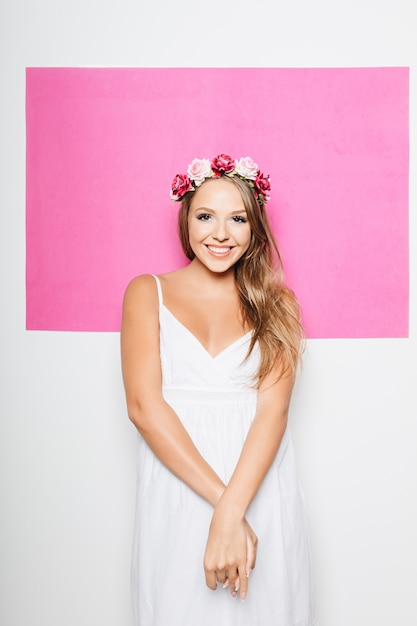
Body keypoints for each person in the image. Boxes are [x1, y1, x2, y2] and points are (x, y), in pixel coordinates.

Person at [121, 153, 317, 625]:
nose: (221, 234)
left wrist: (234, 512)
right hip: (181, 489)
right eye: (206, 216)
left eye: (238, 219)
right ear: (186, 217)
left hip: (260, 491)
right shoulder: (147, 292)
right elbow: (145, 407)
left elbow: (273, 413)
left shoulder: (278, 303)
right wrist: (223, 509)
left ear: (255, 229)